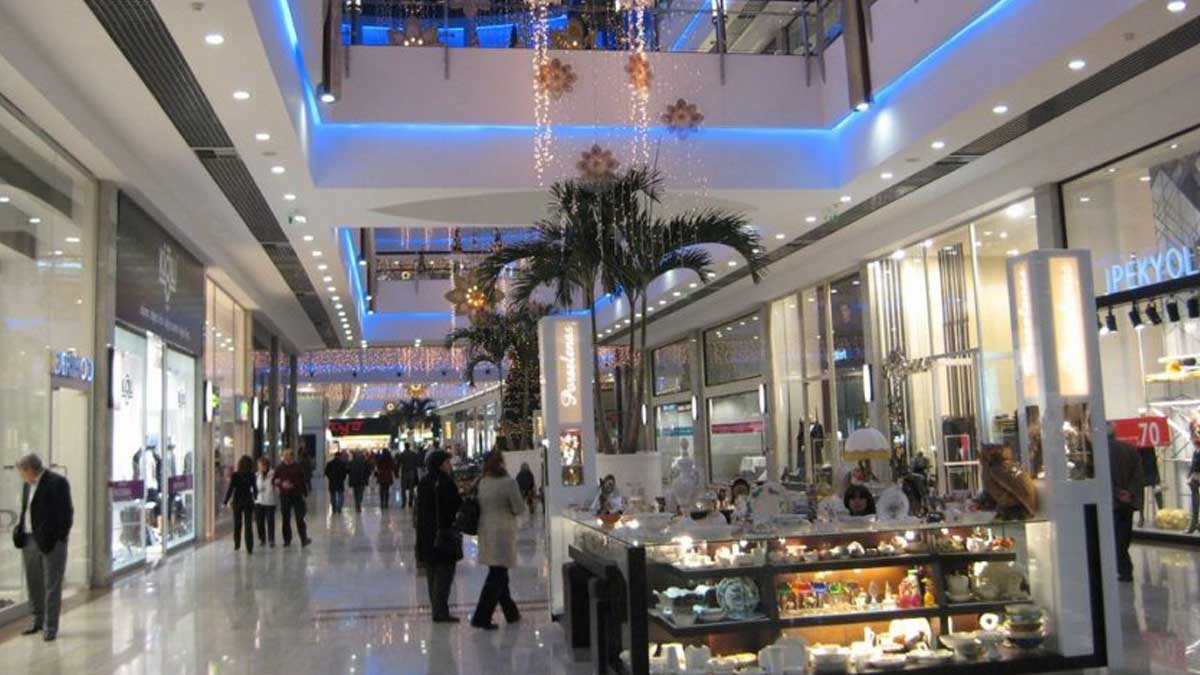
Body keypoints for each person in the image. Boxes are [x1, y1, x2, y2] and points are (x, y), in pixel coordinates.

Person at [12, 453, 72, 641]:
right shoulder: (27, 486)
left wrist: (60, 537)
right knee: (34, 584)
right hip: (29, 540)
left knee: (51, 585)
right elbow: (26, 511)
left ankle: (50, 626)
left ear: (29, 469)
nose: (22, 476)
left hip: (51, 541)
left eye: (22, 472)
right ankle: (37, 621)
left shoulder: (57, 483)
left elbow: (66, 513)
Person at [470, 451, 525, 629]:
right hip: (503, 532)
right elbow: (518, 508)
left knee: (498, 571)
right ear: (501, 463)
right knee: (497, 574)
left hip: (485, 530)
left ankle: (511, 613)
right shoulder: (509, 483)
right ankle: (481, 616)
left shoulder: (482, 482)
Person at [416, 450, 462, 623]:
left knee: (432, 576)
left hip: (427, 535)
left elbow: (419, 511)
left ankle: (437, 610)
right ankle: (440, 612)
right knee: (444, 576)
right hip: (444, 535)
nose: (450, 466)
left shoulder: (423, 482)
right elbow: (456, 506)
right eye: (447, 462)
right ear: (440, 465)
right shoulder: (446, 482)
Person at [1109, 429, 1144, 582]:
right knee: (1124, 536)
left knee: (1115, 538)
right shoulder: (1130, 449)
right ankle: (1125, 570)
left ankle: (1123, 569)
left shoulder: (1101, 452)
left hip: (1112, 501)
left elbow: (1103, 477)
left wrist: (1117, 493)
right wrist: (1129, 492)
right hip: (1128, 501)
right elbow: (1139, 474)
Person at [273, 449, 312, 547]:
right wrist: (281, 484)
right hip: (285, 496)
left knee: (300, 518)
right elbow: (274, 480)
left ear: (292, 456)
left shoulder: (297, 467)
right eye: (285, 455)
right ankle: (287, 540)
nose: (287, 457)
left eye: (288, 455)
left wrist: (304, 494)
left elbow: (302, 480)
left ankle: (303, 539)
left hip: (297, 495)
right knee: (285, 518)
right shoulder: (279, 468)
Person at [223, 455, 257, 554]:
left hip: (237, 501)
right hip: (248, 500)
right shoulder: (252, 475)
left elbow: (230, 489)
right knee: (248, 525)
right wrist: (256, 497)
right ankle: (249, 547)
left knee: (237, 524)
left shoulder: (235, 475)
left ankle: (237, 544)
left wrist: (225, 501)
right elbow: (254, 488)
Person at [255, 456, 278, 547]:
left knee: (270, 521)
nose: (260, 467)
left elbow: (277, 486)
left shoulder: (273, 474)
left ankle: (271, 539)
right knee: (259, 522)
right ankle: (262, 539)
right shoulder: (257, 475)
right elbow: (255, 488)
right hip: (259, 501)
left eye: (261, 465)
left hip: (270, 501)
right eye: (259, 465)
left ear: (266, 465)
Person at [398, 443, 421, 509]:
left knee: (403, 488)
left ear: (405, 447)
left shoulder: (402, 454)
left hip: (404, 472)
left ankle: (404, 502)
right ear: (409, 446)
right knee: (411, 488)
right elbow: (417, 463)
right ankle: (410, 502)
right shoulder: (413, 454)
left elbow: (399, 463)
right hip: (411, 472)